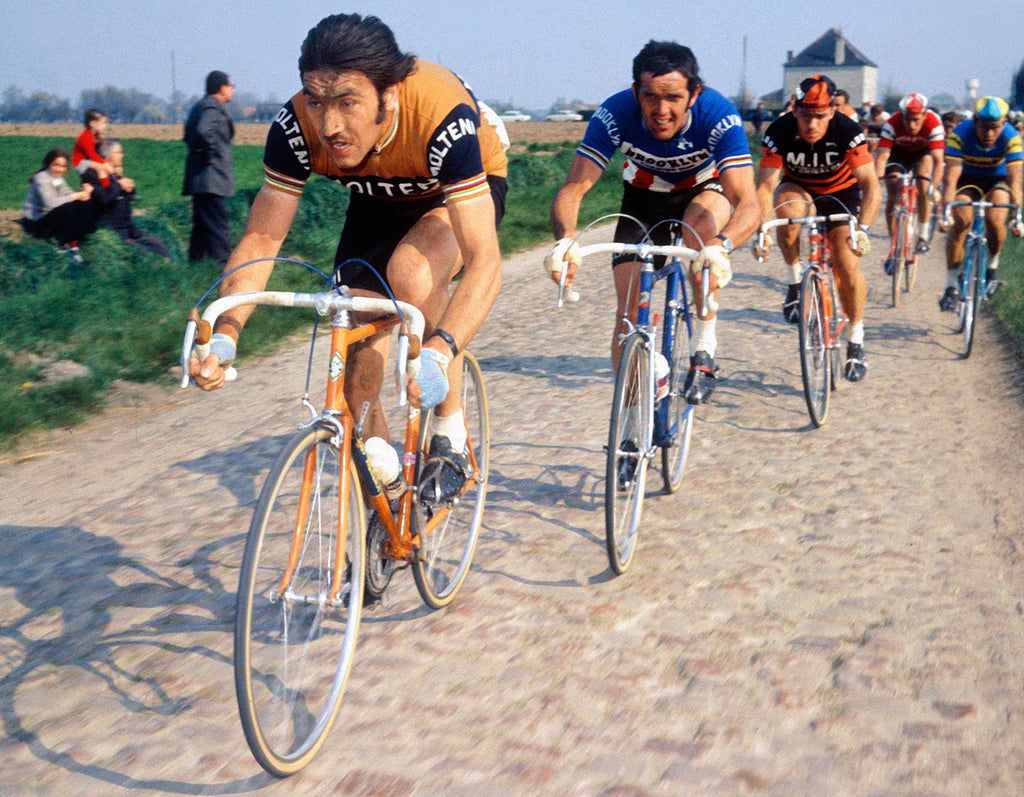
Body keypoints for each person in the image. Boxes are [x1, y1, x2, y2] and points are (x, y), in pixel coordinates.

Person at [188, 13, 508, 503]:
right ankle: (389, 497)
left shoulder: (441, 117)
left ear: (390, 96)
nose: (330, 125)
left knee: (412, 274)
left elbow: (485, 263)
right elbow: (262, 237)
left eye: (347, 102)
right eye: (316, 101)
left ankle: (451, 432)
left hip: (458, 192)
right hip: (377, 197)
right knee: (356, 369)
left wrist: (440, 353)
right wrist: (228, 331)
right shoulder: (295, 126)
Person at [545, 40, 760, 404]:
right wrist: (565, 239)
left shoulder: (718, 115)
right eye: (650, 97)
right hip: (644, 197)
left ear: (694, 95)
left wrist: (722, 247)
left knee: (701, 231)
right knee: (628, 312)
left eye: (674, 97)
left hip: (704, 189)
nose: (661, 110)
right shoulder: (614, 114)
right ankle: (630, 423)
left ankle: (704, 349)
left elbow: (749, 202)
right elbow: (574, 188)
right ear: (635, 93)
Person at [755, 74, 880, 382]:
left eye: (820, 117)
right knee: (787, 213)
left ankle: (856, 339)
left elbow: (871, 185)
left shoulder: (848, 131)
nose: (812, 125)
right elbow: (765, 185)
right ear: (795, 110)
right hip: (799, 186)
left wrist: (862, 228)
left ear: (832, 113)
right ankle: (795, 283)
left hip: (841, 194)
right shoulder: (779, 131)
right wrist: (763, 229)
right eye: (806, 116)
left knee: (846, 262)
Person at [938, 96, 1023, 309]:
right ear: (975, 122)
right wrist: (945, 212)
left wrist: (1017, 216)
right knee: (961, 221)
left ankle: (992, 268)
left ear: (1004, 124)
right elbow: (951, 178)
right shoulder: (960, 134)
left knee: (995, 220)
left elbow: (1015, 179)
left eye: (995, 128)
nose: (989, 134)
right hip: (967, 179)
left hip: (997, 180)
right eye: (984, 128)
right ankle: (950, 286)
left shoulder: (1011, 137)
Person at [874, 93, 945, 261]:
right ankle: (894, 244)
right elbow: (882, 158)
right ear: (901, 116)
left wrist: (934, 188)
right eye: (907, 119)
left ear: (924, 115)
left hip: (922, 154)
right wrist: (876, 186)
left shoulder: (933, 123)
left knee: (923, 184)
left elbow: (938, 159)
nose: (911, 125)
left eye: (916, 120)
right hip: (898, 153)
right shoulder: (892, 123)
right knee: (892, 184)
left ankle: (923, 234)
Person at [81, 138, 170, 258]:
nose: (122, 155)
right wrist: (119, 185)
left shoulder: (113, 173)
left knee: (158, 245)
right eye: (119, 152)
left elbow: (125, 195)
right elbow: (104, 198)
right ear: (109, 155)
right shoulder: (91, 176)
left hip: (128, 226)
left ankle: (170, 266)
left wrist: (130, 188)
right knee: (140, 252)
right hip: (112, 230)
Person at [183, 70, 235, 264]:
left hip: (201, 178)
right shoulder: (212, 107)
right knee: (218, 227)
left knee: (202, 228)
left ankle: (195, 267)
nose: (232, 90)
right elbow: (203, 131)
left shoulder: (200, 106)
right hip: (211, 178)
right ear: (221, 88)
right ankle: (225, 270)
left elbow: (188, 134)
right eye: (231, 86)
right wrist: (209, 155)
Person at [20, 147, 95, 260]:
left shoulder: (58, 178)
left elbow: (68, 193)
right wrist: (75, 196)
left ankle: (73, 244)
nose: (60, 169)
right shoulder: (41, 179)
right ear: (49, 163)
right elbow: (50, 203)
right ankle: (60, 245)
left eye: (64, 166)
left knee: (82, 203)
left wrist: (83, 192)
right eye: (56, 165)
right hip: (35, 221)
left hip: (49, 217)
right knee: (67, 207)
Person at [72, 108, 111, 178]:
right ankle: (106, 185)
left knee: (103, 166)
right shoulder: (86, 136)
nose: (105, 126)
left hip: (87, 161)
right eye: (102, 123)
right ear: (92, 123)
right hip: (80, 162)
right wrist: (104, 164)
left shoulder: (95, 135)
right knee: (100, 168)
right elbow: (91, 154)